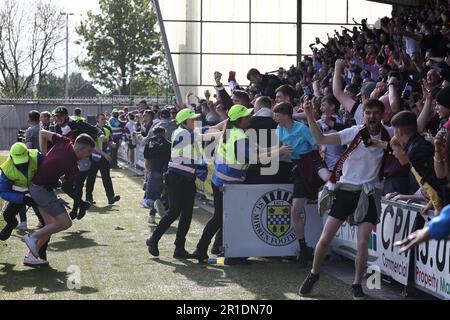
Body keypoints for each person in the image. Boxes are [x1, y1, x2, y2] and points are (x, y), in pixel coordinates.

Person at [299, 99, 392, 299]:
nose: (371, 117)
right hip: (346, 189)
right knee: (325, 238)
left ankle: (357, 284)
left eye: (375, 113)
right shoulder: (354, 131)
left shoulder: (389, 133)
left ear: (383, 115)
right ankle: (314, 273)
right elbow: (321, 139)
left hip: (369, 192)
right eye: (368, 113)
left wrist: (383, 144)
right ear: (363, 114)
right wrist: (309, 115)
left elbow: (405, 145)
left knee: (363, 241)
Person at [192, 105, 292, 263]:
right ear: (238, 120)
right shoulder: (239, 136)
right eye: (246, 116)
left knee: (220, 218)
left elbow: (255, 150)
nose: (250, 118)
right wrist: (280, 152)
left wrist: (275, 148)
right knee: (228, 218)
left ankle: (203, 249)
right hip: (228, 184)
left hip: (222, 182)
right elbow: (255, 159)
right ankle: (226, 254)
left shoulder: (232, 131)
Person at [146, 109, 210, 259]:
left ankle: (179, 248)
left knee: (186, 214)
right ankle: (153, 239)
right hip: (177, 177)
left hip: (184, 177)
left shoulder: (183, 131)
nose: (195, 122)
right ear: (185, 121)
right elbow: (205, 134)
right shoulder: (185, 133)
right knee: (175, 212)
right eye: (192, 119)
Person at [23, 131, 95, 261]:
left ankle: (31, 257)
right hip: (40, 190)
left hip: (37, 187)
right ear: (82, 148)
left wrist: (44, 156)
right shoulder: (72, 164)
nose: (89, 155)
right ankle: (32, 237)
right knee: (66, 223)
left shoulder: (65, 141)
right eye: (89, 151)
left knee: (50, 225)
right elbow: (64, 181)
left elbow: (42, 133)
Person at [273, 102, 330, 267]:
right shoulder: (279, 129)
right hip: (298, 167)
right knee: (295, 211)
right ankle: (303, 249)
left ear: (285, 115)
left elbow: (318, 143)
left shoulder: (302, 128)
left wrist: (323, 151)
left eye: (276, 114)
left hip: (312, 161)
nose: (274, 117)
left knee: (328, 179)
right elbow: (279, 149)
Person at [0, 143, 47, 266]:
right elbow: (4, 192)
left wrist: (51, 183)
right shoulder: (6, 169)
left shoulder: (37, 156)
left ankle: (40, 256)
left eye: (24, 161)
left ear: (28, 154)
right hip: (20, 193)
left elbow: (50, 171)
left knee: (46, 225)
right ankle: (13, 224)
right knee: (7, 215)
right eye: (18, 162)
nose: (21, 164)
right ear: (11, 158)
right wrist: (23, 199)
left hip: (39, 191)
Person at [51, 106, 101, 220]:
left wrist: (101, 135)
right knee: (66, 186)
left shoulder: (78, 124)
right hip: (70, 160)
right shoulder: (56, 128)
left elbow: (95, 130)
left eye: (60, 116)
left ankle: (75, 209)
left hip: (84, 158)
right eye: (56, 116)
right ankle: (83, 204)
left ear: (66, 116)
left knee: (78, 185)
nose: (57, 119)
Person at [85, 113, 121, 206]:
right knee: (91, 178)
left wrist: (112, 144)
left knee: (106, 178)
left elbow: (110, 141)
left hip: (104, 159)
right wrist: (105, 154)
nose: (104, 120)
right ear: (97, 120)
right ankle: (88, 198)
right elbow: (94, 146)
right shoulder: (93, 130)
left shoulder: (107, 129)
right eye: (102, 119)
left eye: (105, 119)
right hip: (94, 158)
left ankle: (111, 197)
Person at [141, 126, 171, 224]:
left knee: (148, 199)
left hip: (153, 172)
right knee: (158, 197)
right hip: (166, 174)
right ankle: (152, 216)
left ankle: (153, 207)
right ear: (164, 133)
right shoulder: (168, 144)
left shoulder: (149, 143)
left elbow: (147, 162)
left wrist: (146, 177)